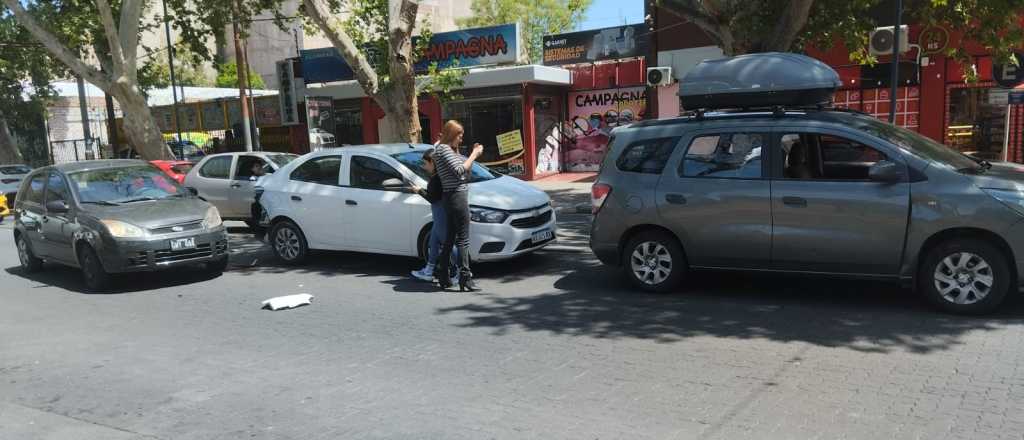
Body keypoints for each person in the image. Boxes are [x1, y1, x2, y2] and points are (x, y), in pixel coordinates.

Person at [434, 121, 484, 291]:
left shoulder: (447, 150)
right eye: (459, 136)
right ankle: (465, 277)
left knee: (450, 238)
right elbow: (459, 171)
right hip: (456, 196)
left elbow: (466, 173)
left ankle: (442, 273)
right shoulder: (443, 149)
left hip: (452, 196)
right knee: (463, 238)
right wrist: (474, 154)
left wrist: (471, 157)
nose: (461, 140)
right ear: (451, 134)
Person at [410, 149, 459, 284]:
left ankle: (461, 271)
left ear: (433, 162)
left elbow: (432, 198)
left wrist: (419, 190)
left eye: (425, 163)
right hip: (439, 214)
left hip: (441, 214)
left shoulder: (437, 178)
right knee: (433, 241)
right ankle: (429, 270)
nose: (423, 166)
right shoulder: (440, 176)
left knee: (447, 244)